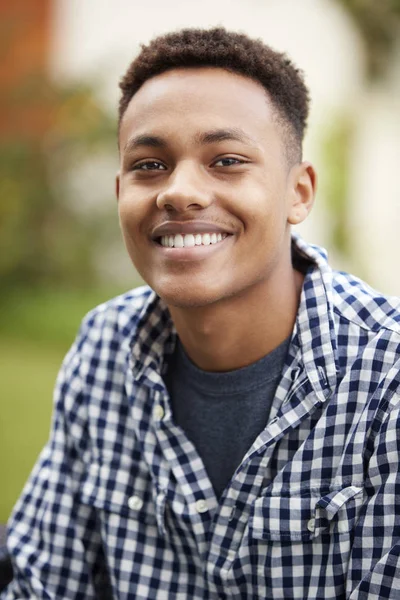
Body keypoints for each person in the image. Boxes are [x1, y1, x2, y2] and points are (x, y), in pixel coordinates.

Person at [2, 26, 400, 600]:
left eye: (227, 160)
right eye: (149, 165)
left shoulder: (386, 380)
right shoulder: (104, 347)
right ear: (120, 193)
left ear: (299, 192)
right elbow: (43, 581)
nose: (179, 192)